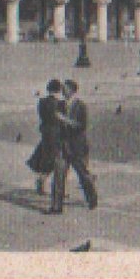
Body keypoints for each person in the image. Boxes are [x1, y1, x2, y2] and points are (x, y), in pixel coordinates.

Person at [52, 80, 97, 211]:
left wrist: (65, 120)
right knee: (59, 176)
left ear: (72, 90)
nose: (62, 91)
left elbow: (82, 126)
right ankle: (56, 206)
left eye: (65, 89)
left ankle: (92, 197)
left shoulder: (80, 106)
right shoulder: (59, 105)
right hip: (63, 146)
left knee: (83, 175)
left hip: (77, 147)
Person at [27, 79, 67, 212]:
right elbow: (61, 120)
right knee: (57, 162)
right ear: (59, 90)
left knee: (46, 160)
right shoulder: (60, 103)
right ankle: (53, 190)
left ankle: (41, 181)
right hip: (56, 136)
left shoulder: (42, 102)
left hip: (46, 134)